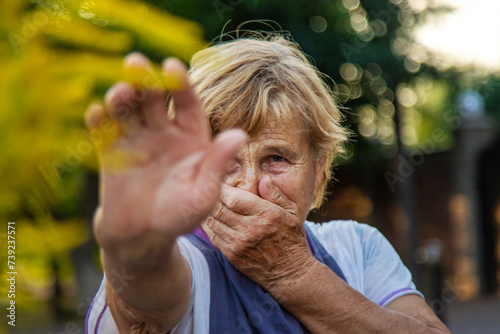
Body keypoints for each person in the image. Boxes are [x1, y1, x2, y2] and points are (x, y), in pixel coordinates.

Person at [85, 34, 450, 333]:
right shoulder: (185, 258)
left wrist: (293, 272)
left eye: (276, 158)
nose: (248, 185)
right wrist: (134, 246)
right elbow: (147, 294)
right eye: (225, 161)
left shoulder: (357, 247)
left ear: (320, 168)